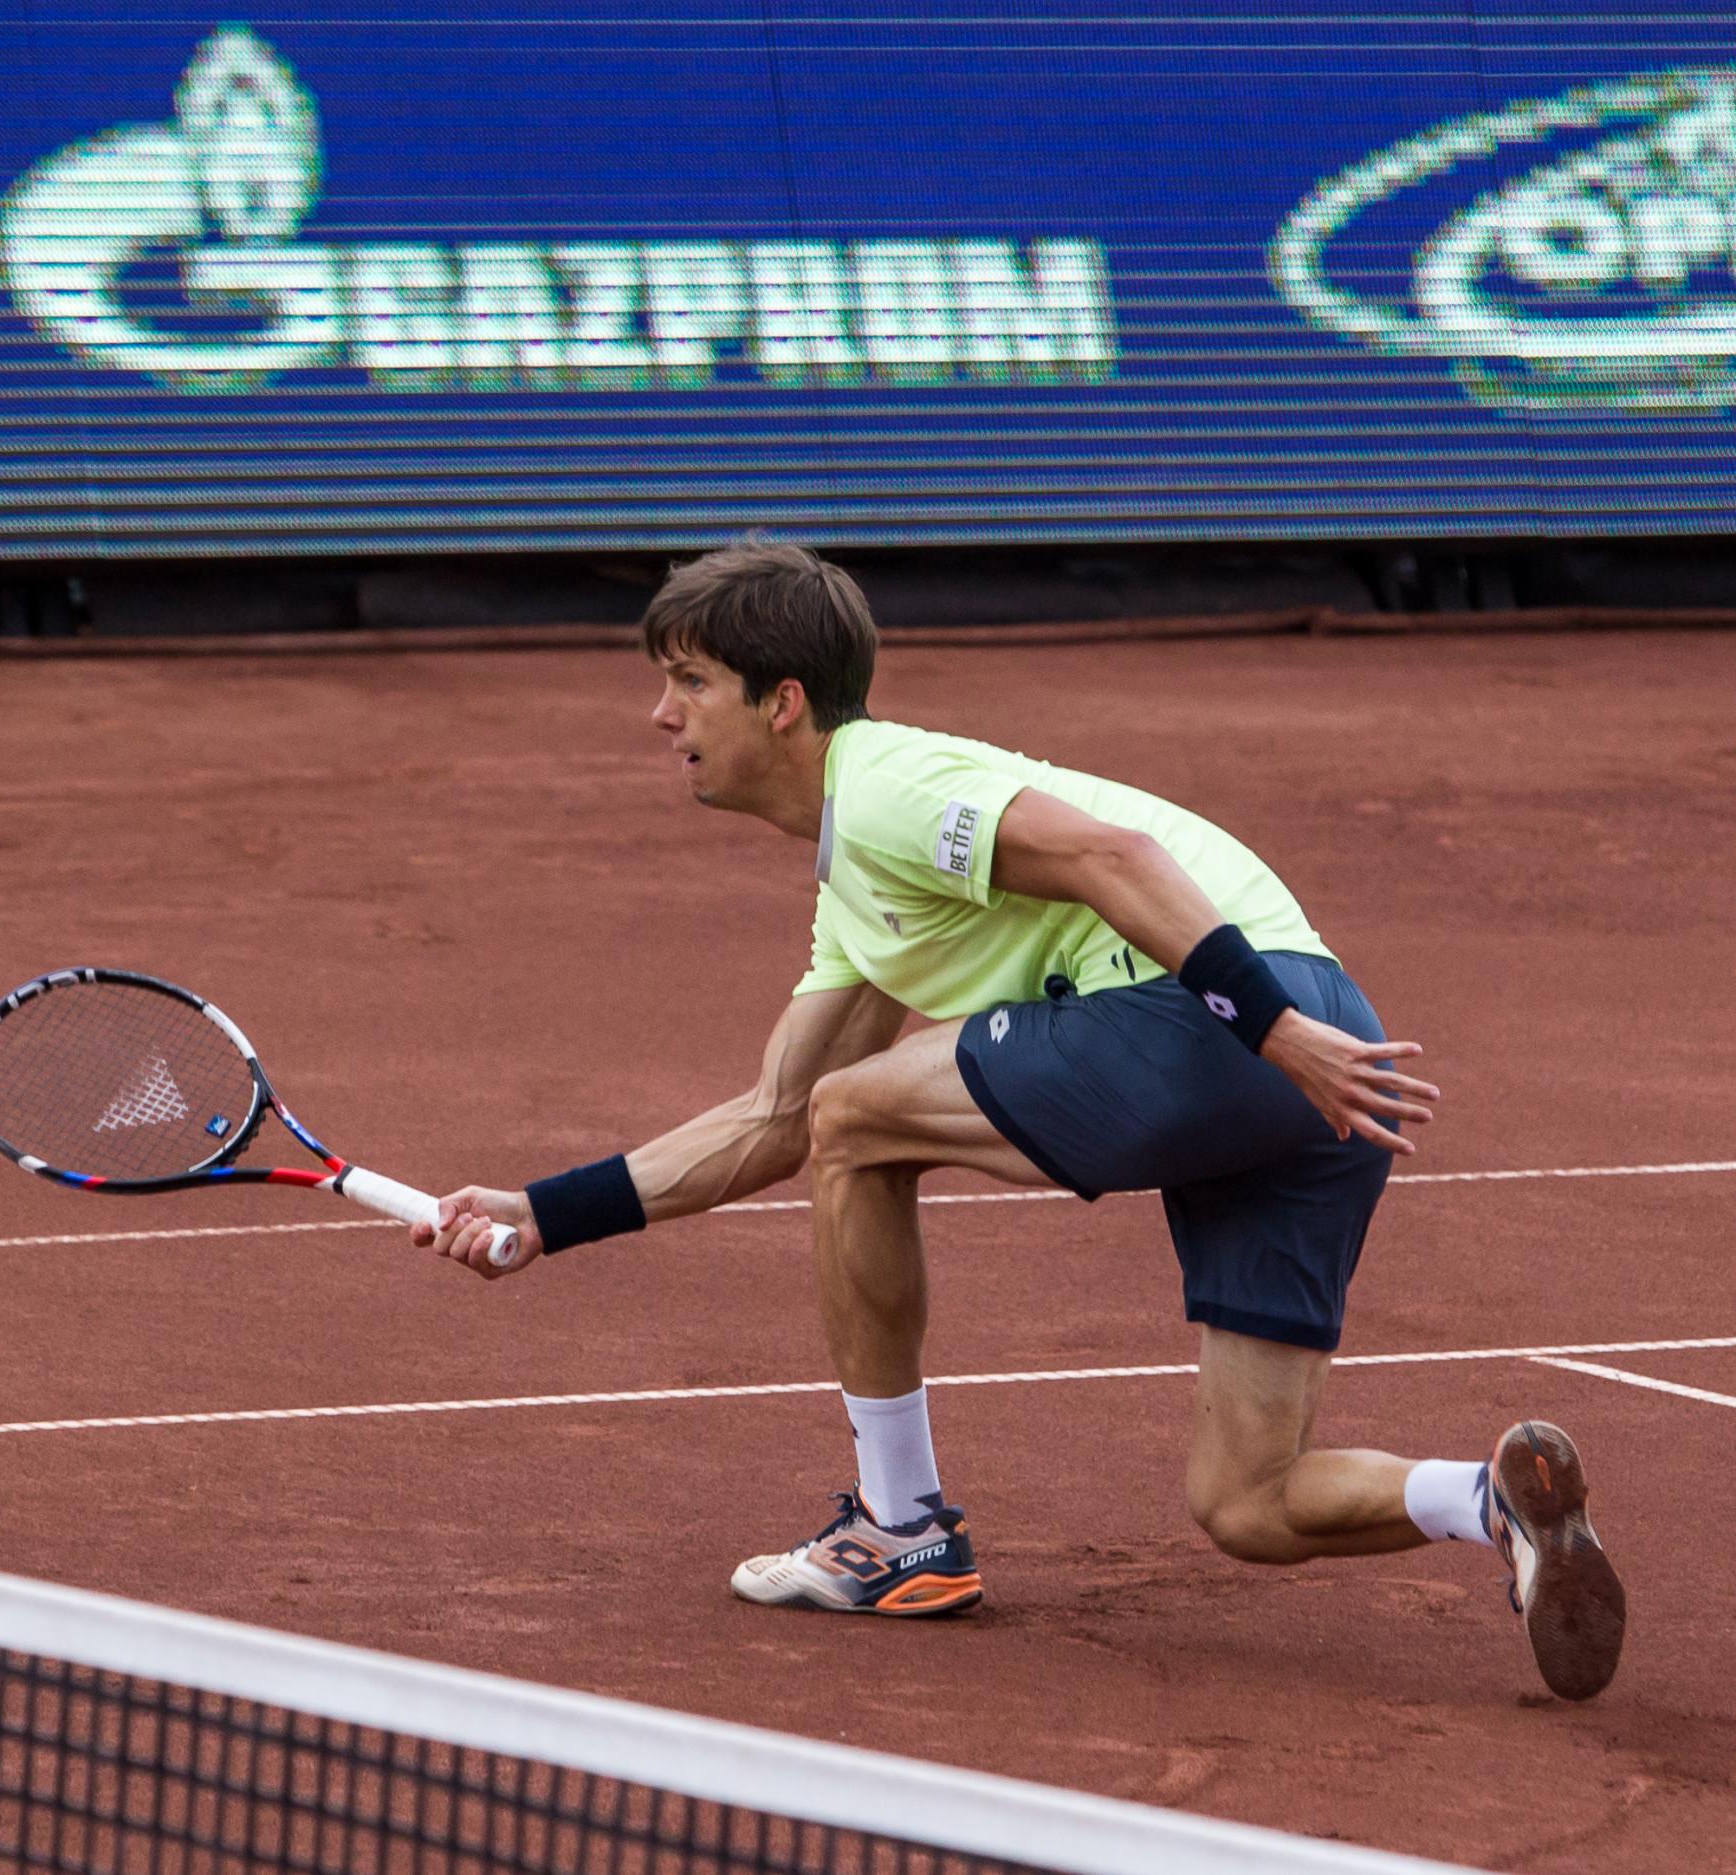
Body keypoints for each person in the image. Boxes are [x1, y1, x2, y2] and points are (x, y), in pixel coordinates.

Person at [416, 539, 1625, 1702]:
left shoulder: (885, 784)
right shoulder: (859, 890)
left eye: (686, 684)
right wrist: (542, 1214)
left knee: (861, 1114)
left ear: (781, 703)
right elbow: (778, 1119)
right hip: (1318, 1051)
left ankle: (898, 1528)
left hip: (1238, 1025)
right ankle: (1494, 1505)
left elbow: (1108, 853)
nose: (660, 716)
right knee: (1248, 1502)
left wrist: (1267, 1032)